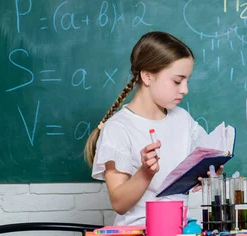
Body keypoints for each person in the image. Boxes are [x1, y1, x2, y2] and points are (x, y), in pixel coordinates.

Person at [84, 31, 217, 226]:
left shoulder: (183, 120)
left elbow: (199, 166)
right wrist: (145, 172)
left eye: (187, 81)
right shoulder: (118, 128)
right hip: (138, 230)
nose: (185, 89)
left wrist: (209, 171)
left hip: (177, 228)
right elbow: (119, 203)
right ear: (147, 76)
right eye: (177, 81)